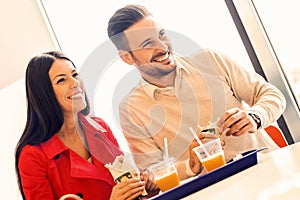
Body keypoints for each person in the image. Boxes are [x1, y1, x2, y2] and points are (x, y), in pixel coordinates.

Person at [106, 4, 286, 181]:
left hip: (270, 172)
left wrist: (255, 116)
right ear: (127, 57)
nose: (162, 46)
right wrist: (190, 165)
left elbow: (271, 94)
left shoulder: (211, 60)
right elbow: (152, 173)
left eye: (161, 34)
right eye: (147, 43)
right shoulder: (130, 109)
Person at [15, 51, 158, 200]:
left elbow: (126, 184)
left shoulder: (100, 128)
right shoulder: (32, 156)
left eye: (75, 75)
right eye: (62, 80)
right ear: (43, 94)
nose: (75, 83)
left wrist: (143, 188)